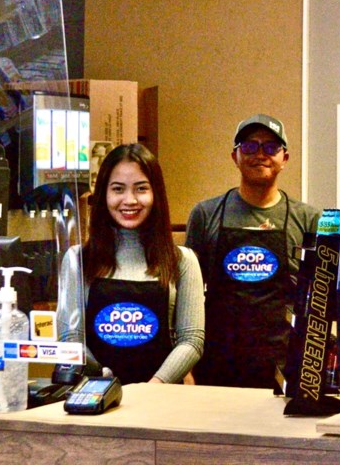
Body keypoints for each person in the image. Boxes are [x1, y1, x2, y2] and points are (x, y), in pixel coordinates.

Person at [186, 114, 321, 389]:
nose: (260, 154)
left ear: (285, 158)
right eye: (249, 146)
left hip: (283, 364)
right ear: (234, 156)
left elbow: (319, 300)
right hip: (216, 365)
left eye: (271, 147)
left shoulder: (308, 219)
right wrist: (185, 367)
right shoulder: (205, 214)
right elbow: (185, 297)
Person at [57, 143, 204, 384]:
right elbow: (69, 337)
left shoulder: (183, 261)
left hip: (164, 400)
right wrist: (103, 379)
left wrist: (155, 386)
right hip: (94, 394)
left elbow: (192, 340)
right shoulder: (76, 259)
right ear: (104, 195)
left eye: (141, 189)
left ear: (156, 193)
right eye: (118, 189)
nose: (130, 200)